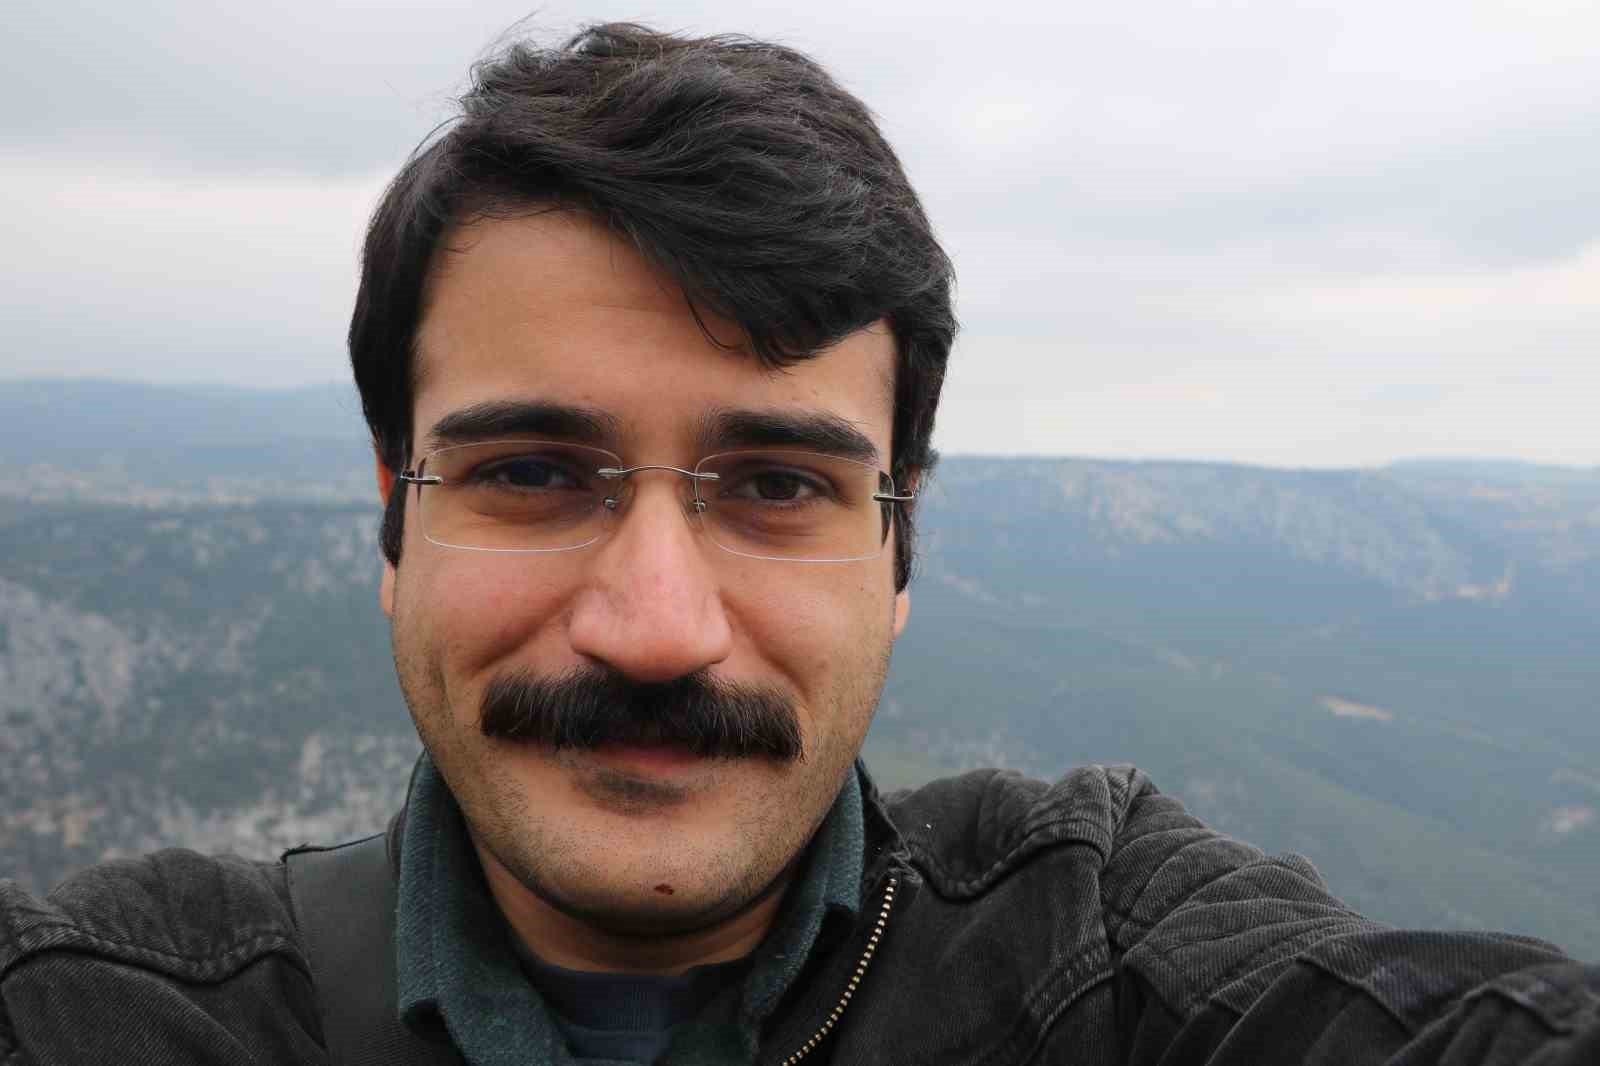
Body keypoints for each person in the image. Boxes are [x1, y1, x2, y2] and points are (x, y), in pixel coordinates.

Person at [1, 21, 1595, 1066]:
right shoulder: (116, 1011)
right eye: (535, 472)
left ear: (900, 551)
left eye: (774, 485)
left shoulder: (1099, 958)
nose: (653, 624)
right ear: (393, 521)